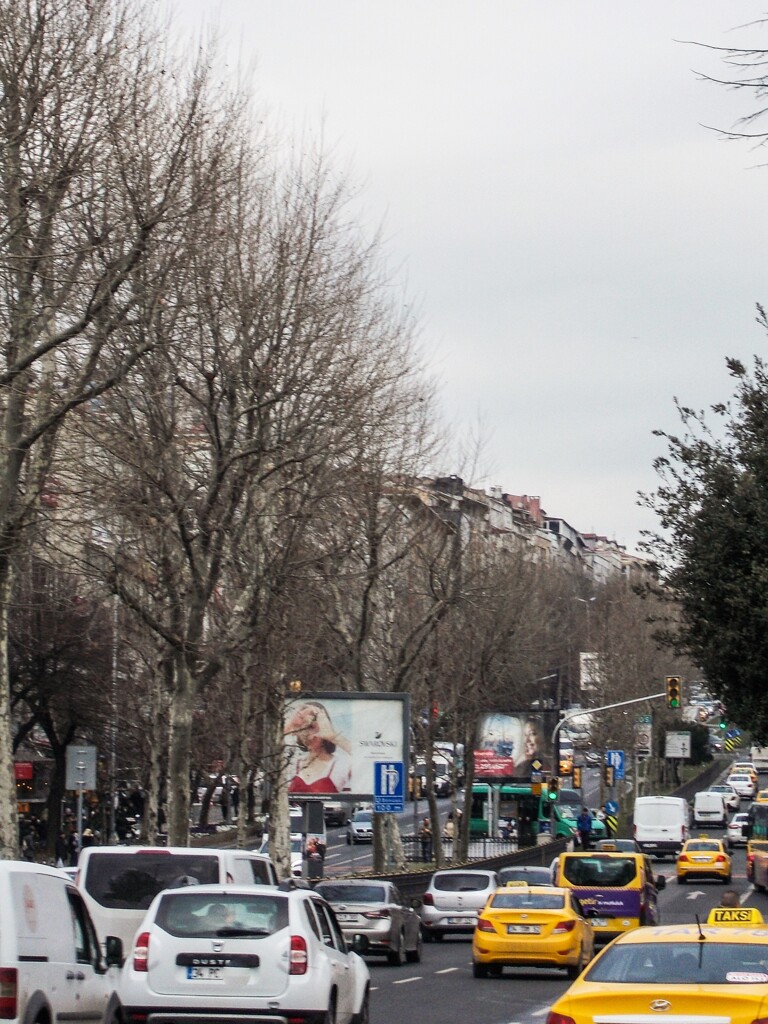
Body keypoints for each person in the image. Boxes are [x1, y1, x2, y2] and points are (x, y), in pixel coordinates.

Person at [284, 701, 352, 794]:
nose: (309, 735)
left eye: (312, 727)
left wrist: (333, 737)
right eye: (303, 729)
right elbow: (268, 752)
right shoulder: (292, 764)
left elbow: (367, 759)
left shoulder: (341, 765)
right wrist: (290, 725)